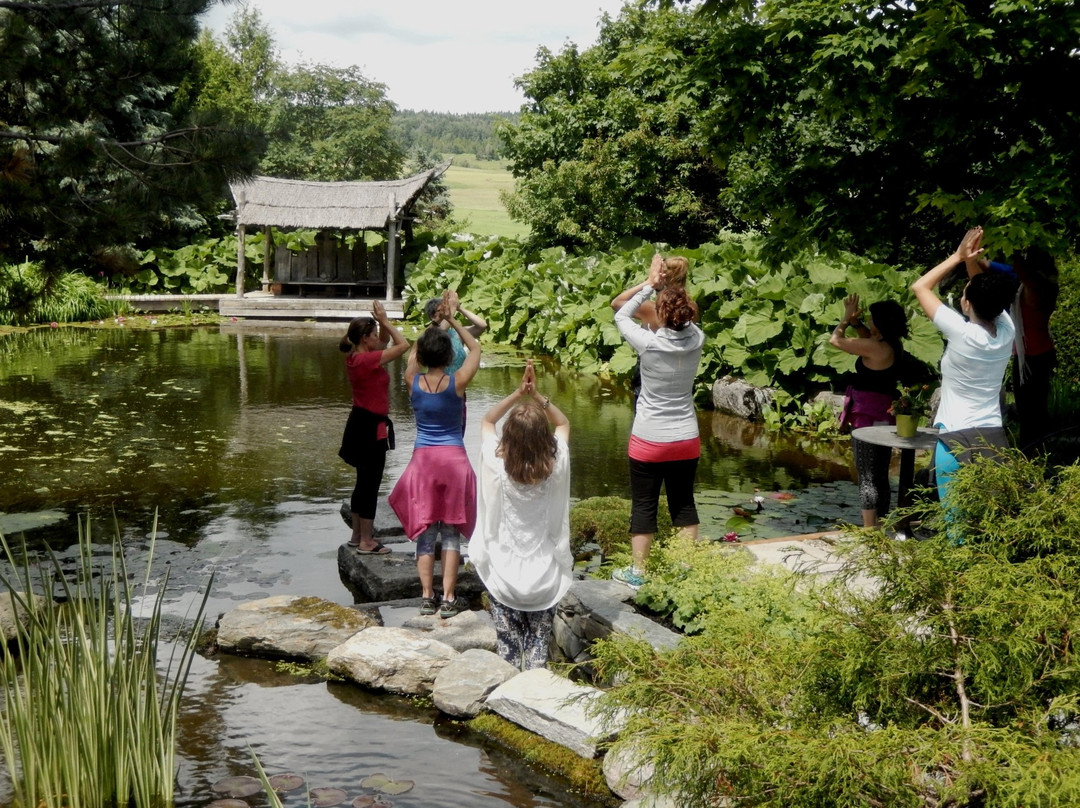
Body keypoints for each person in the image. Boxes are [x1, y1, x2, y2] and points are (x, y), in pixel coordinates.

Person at [611, 254, 705, 590]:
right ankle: (685, 570)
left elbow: (620, 312)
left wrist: (649, 284)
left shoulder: (649, 344)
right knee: (684, 503)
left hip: (649, 439)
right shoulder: (698, 339)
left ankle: (638, 574)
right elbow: (687, 322)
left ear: (660, 314)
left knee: (645, 504)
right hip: (687, 437)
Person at [470, 359, 572, 669]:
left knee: (508, 652)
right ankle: (535, 688)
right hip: (544, 576)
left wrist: (518, 393)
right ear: (545, 438)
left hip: (503, 574)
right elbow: (564, 424)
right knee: (538, 651)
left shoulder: (496, 462)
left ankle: (508, 695)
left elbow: (487, 422)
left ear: (509, 436)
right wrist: (538, 395)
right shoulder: (557, 462)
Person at [388, 301, 481, 618]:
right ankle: (449, 597)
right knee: (451, 533)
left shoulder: (412, 382)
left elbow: (413, 355)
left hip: (423, 463)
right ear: (450, 356)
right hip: (454, 461)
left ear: (423, 355)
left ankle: (427, 596)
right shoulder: (457, 383)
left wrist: (428, 332)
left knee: (427, 532)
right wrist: (453, 321)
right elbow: (476, 348)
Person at [911, 227, 1016, 503]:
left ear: (967, 303)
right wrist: (971, 261)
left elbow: (919, 287)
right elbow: (987, 294)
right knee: (985, 524)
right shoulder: (1007, 331)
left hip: (955, 441)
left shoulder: (962, 332)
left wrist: (958, 257)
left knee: (956, 527)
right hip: (994, 440)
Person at [962, 232, 1059, 451]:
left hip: (1037, 357)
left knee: (1033, 412)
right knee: (1026, 411)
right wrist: (974, 253)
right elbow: (985, 269)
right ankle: (1029, 451)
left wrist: (1009, 239)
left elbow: (1021, 271)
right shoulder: (1022, 284)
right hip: (1024, 356)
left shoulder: (1041, 287)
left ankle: (1033, 453)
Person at [830, 294, 912, 527]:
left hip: (866, 416)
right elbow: (869, 338)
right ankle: (882, 520)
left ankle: (868, 528)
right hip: (884, 414)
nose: (868, 321)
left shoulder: (874, 347)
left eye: (871, 318)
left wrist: (846, 320)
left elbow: (835, 340)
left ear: (880, 322)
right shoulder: (892, 344)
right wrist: (858, 324)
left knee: (867, 474)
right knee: (879, 471)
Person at [337, 301, 410, 554]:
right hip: (369, 426)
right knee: (370, 484)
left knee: (363, 482)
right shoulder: (366, 361)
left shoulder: (358, 357)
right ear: (365, 339)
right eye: (374, 335)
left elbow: (385, 343)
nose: (377, 338)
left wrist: (381, 321)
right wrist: (388, 322)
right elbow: (403, 346)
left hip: (361, 422)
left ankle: (358, 536)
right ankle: (367, 542)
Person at [611, 253, 698, 403]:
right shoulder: (691, 308)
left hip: (650, 373)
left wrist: (650, 282)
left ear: (662, 278)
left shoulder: (650, 310)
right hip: (680, 372)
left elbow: (617, 303)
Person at [423, 289, 487, 435]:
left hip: (458, 389)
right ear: (433, 316)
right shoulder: (431, 336)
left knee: (457, 433)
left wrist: (458, 308)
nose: (446, 311)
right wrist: (450, 310)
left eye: (446, 308)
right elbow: (440, 332)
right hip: (437, 389)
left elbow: (481, 325)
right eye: (442, 309)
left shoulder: (456, 334)